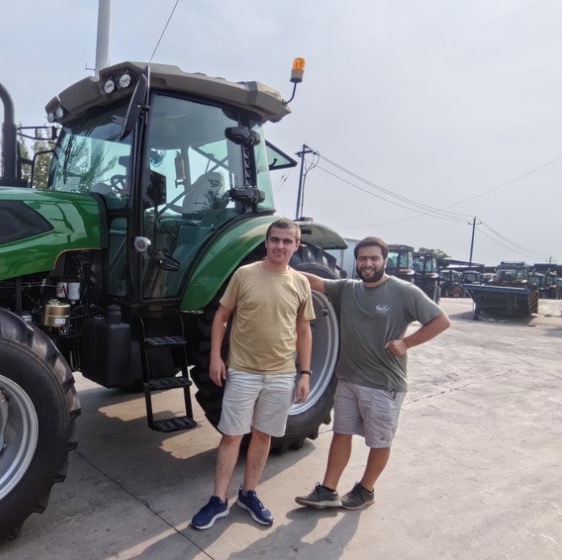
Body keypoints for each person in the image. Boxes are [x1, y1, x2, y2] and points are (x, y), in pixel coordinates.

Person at [295, 236, 450, 510]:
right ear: (357, 261)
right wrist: (282, 262)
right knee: (341, 433)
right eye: (363, 258)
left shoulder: (403, 291)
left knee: (379, 440)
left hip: (383, 383)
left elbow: (441, 320)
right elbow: (314, 282)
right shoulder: (348, 289)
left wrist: (407, 343)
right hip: (348, 379)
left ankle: (366, 490)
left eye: (373, 258)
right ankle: (328, 490)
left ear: (384, 261)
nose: (367, 263)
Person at [190, 217, 314, 530]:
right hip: (243, 371)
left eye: (287, 241)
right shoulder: (244, 274)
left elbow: (304, 330)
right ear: (267, 242)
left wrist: (306, 373)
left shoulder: (300, 284)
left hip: (282, 374)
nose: (280, 246)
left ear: (296, 246)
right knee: (232, 435)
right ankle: (219, 499)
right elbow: (221, 315)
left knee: (263, 435)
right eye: (275, 240)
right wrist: (216, 357)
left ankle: (249, 493)